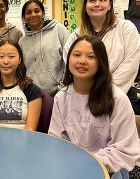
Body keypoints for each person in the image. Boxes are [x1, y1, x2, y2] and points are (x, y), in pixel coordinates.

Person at [49, 35, 140, 178]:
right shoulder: (61, 97)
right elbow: (56, 140)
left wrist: (86, 161)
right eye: (77, 55)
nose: (82, 61)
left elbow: (123, 149)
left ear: (100, 62)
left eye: (91, 57)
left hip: (114, 168)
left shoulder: (117, 98)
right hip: (75, 167)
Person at [63, 0, 140, 112]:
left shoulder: (126, 28)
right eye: (92, 1)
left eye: (102, 0)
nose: (97, 4)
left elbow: (130, 64)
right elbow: (70, 64)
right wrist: (86, 91)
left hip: (119, 94)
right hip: (85, 96)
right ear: (85, 6)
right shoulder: (76, 36)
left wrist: (104, 92)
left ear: (110, 5)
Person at [0, 39, 43, 130]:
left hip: (24, 141)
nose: (5, 61)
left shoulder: (32, 91)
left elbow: (30, 131)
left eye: (11, 56)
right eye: (1, 56)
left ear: (20, 59)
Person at [19, 0, 70, 96]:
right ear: (24, 17)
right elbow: (21, 69)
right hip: (32, 94)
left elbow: (69, 60)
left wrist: (62, 87)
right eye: (28, 12)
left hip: (59, 92)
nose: (33, 15)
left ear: (43, 13)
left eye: (37, 11)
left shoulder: (58, 29)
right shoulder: (22, 41)